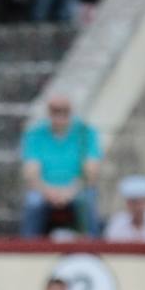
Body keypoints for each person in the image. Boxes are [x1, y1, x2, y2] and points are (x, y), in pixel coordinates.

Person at [20, 94, 101, 237]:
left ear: (71, 111)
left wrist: (70, 191)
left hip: (77, 188)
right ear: (49, 112)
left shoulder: (86, 133)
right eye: (55, 111)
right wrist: (48, 192)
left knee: (87, 202)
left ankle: (93, 245)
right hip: (44, 189)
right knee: (33, 203)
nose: (60, 115)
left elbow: (91, 171)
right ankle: (29, 249)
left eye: (64, 111)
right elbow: (31, 172)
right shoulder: (35, 134)